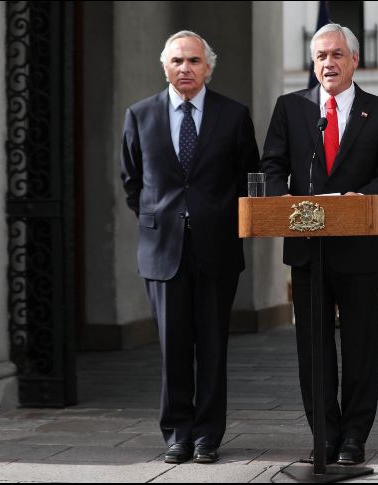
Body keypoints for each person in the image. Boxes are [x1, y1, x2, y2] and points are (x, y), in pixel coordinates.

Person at [260, 23, 378, 466]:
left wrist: (361, 198)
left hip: (358, 246)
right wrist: (282, 200)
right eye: (321, 55)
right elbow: (271, 166)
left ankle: (354, 436)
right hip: (307, 247)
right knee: (313, 346)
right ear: (313, 62)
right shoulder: (291, 108)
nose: (328, 63)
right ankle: (323, 434)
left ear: (354, 60)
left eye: (337, 54)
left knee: (360, 346)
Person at [120, 30, 259, 464]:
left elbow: (249, 177)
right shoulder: (140, 115)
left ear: (208, 68)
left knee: (213, 347)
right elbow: (131, 181)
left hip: (217, 249)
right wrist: (160, 218)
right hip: (162, 249)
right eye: (177, 61)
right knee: (173, 347)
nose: (185, 68)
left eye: (194, 61)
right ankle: (177, 433)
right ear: (164, 66)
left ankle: (207, 436)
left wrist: (221, 220)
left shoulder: (233, 116)